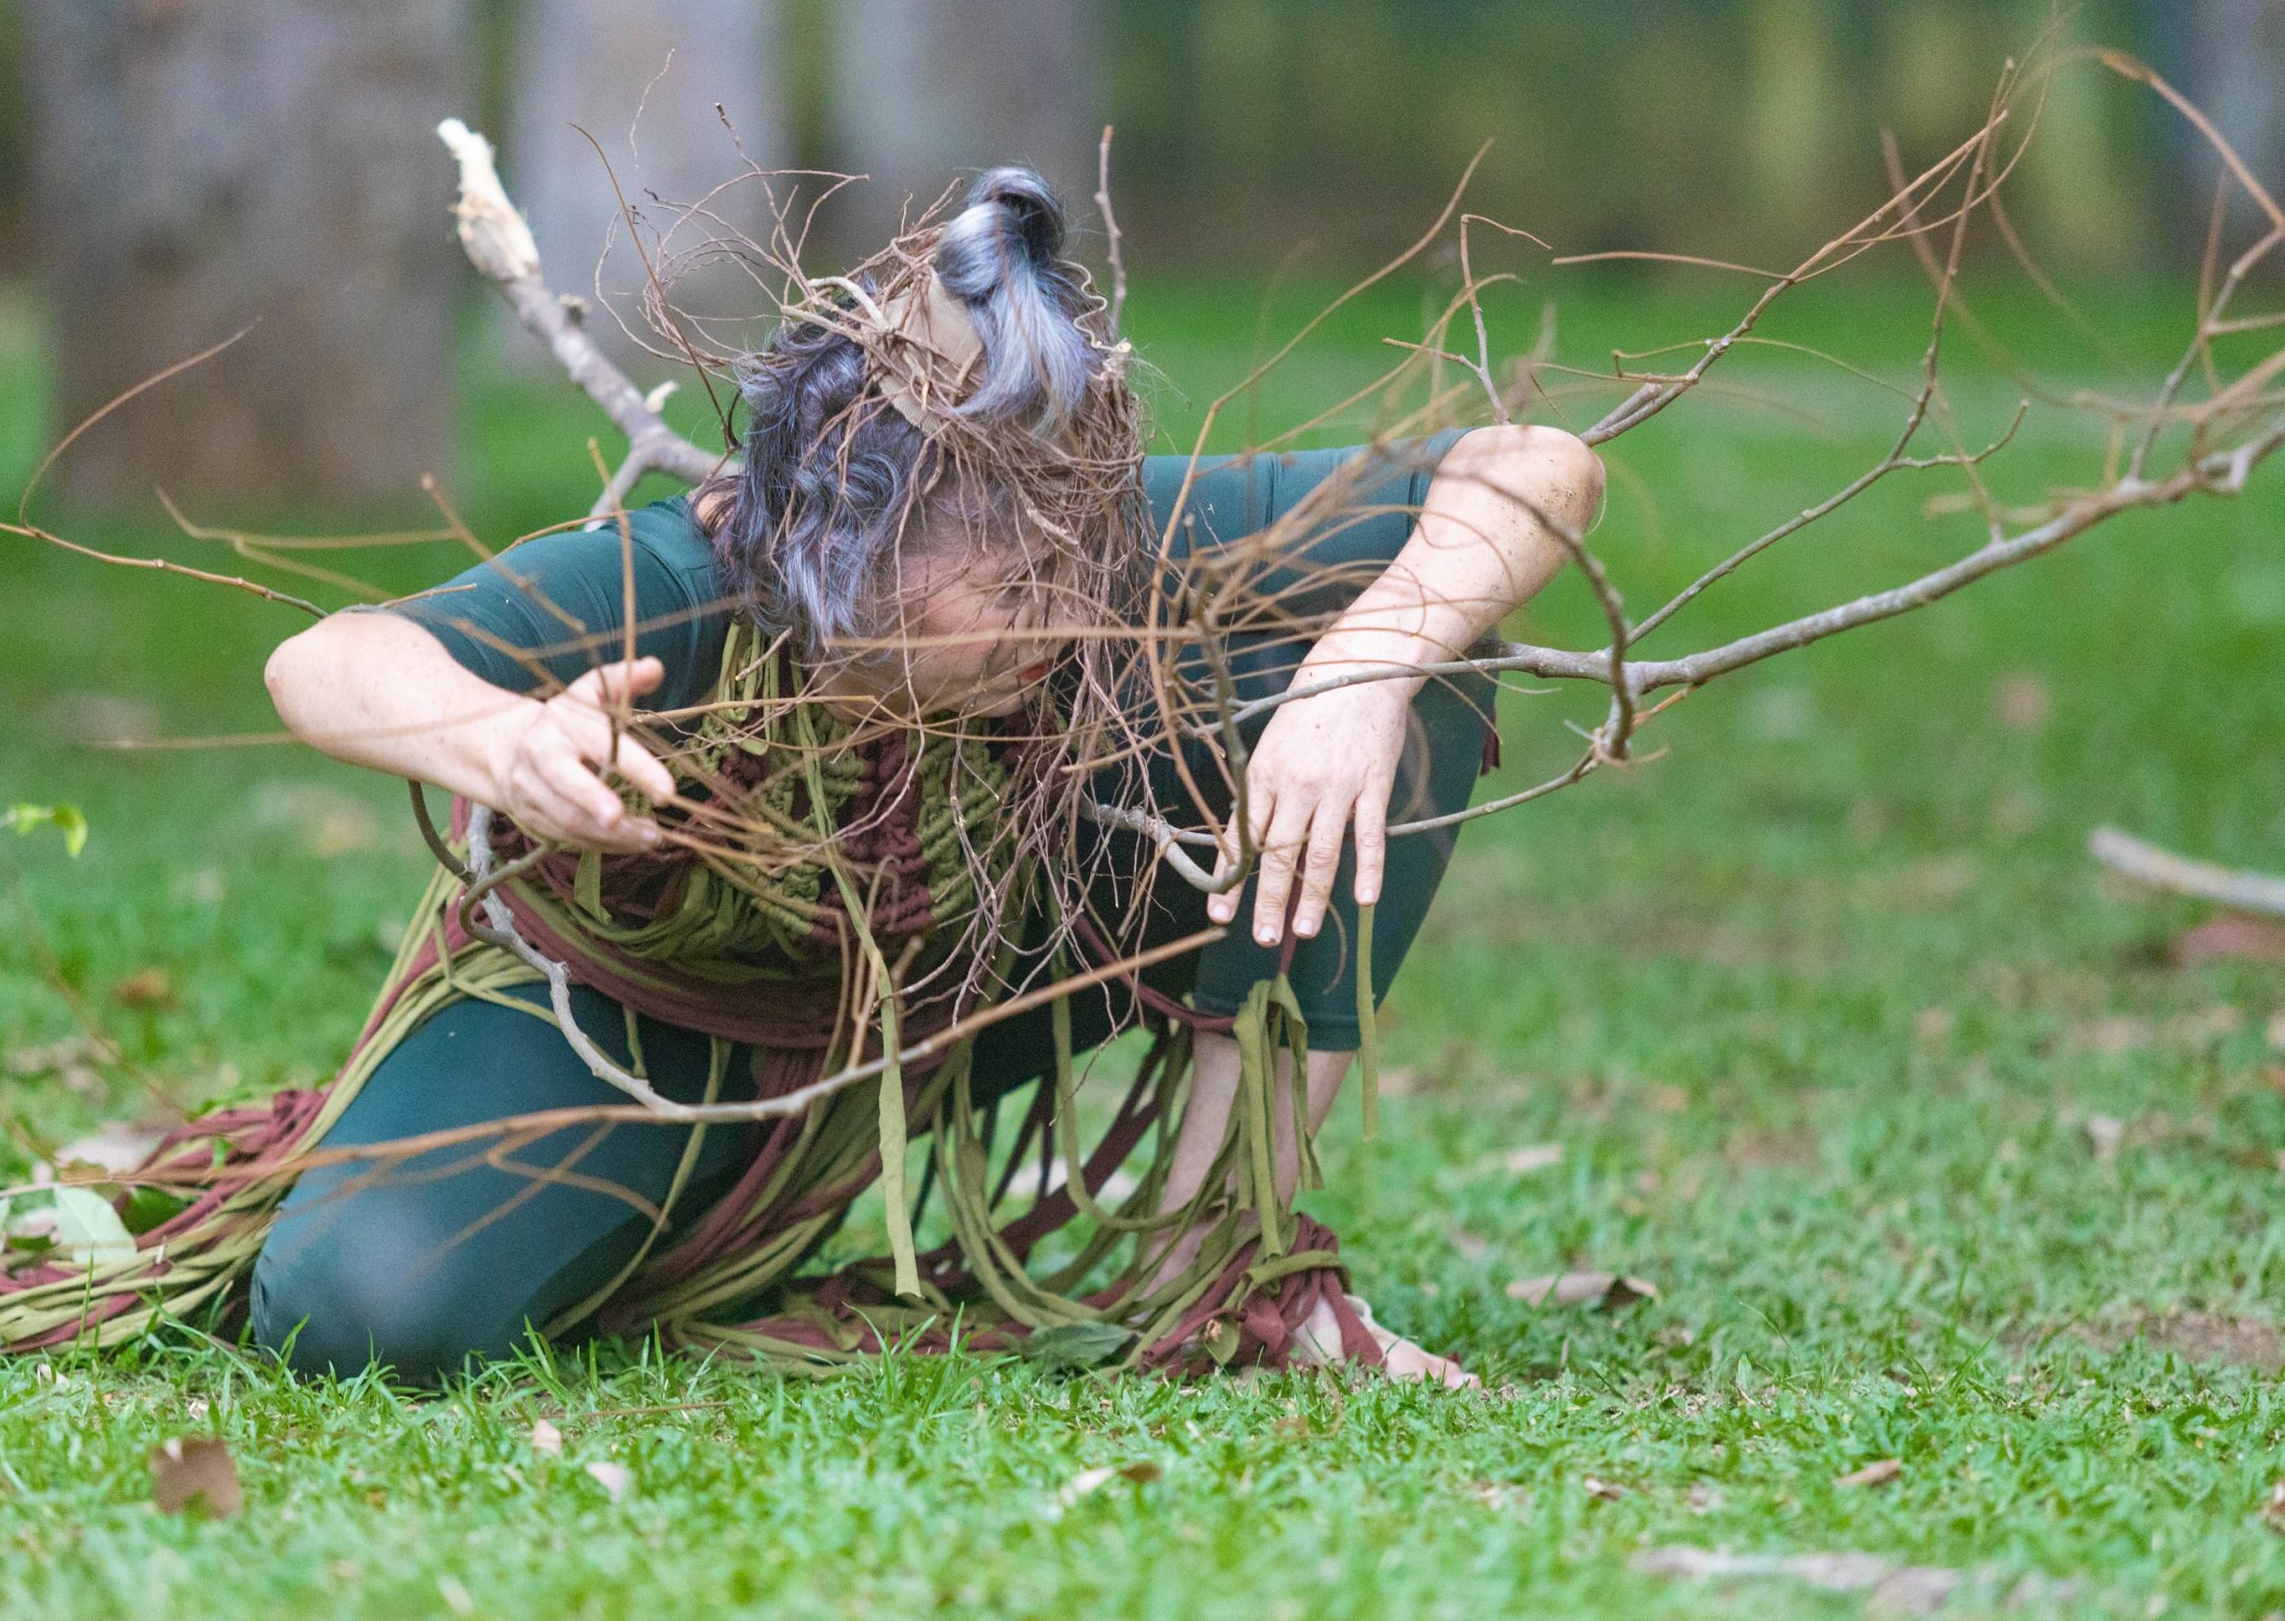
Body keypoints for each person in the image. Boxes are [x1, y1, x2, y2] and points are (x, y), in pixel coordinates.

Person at [252, 167, 1603, 1385]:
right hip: (661, 1007)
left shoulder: (1078, 528)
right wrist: (502, 744)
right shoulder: (682, 583)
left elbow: (1531, 469)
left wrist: (1364, 667)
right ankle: (674, 1202)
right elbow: (328, 658)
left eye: (1076, 558)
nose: (1072, 607)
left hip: (974, 961)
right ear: (856, 553)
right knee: (363, 1315)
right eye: (1017, 584)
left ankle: (1215, 1273)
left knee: (1413, 670)